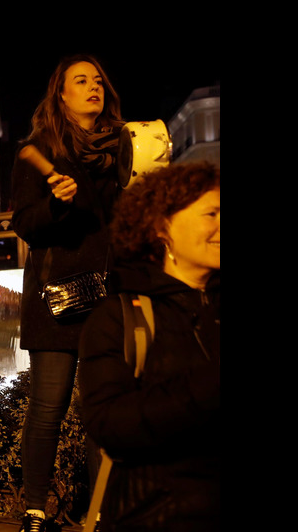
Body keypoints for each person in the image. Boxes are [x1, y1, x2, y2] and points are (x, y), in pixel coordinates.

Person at [10, 55, 124, 532]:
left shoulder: (122, 147)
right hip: (55, 300)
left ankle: (100, 513)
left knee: (104, 410)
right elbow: (25, 224)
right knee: (48, 408)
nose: (92, 86)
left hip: (110, 297)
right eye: (81, 80)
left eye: (98, 80)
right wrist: (56, 203)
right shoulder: (40, 148)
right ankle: (34, 510)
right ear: (62, 94)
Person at [78, 162, 220, 531]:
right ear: (163, 227)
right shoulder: (121, 317)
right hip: (156, 517)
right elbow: (108, 423)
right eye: (212, 213)